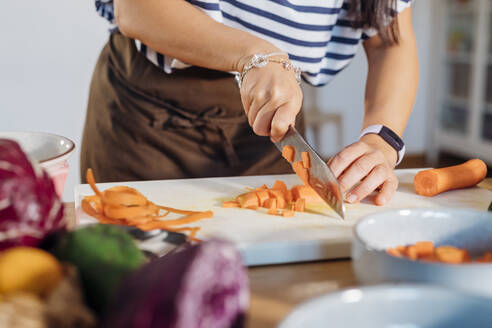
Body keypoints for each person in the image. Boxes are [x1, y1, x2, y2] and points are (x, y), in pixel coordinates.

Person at [81, 0, 418, 206]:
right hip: (146, 118)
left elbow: (390, 42)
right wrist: (255, 56)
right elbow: (138, 6)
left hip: (271, 123)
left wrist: (382, 138)